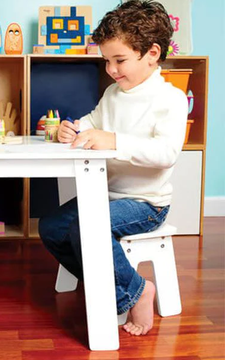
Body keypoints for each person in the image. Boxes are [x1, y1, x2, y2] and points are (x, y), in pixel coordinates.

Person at [39, 0, 188, 336]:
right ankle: (112, 283)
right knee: (50, 227)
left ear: (151, 53)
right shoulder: (113, 95)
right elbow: (90, 122)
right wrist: (72, 128)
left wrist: (114, 140)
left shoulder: (170, 99)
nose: (111, 68)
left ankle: (137, 292)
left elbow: (165, 153)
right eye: (107, 60)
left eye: (119, 60)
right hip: (105, 196)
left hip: (146, 204)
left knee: (85, 226)